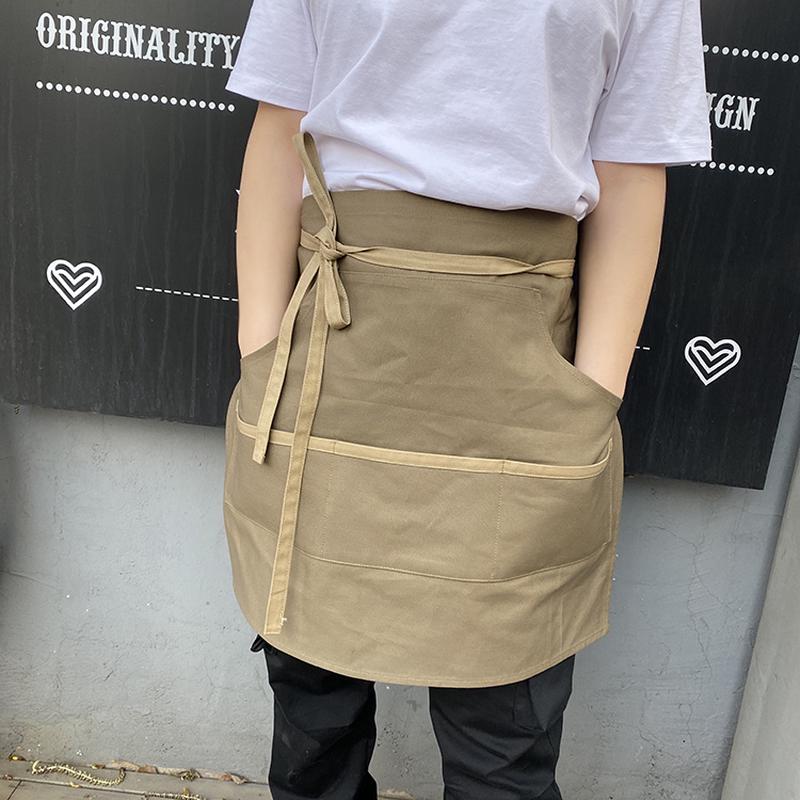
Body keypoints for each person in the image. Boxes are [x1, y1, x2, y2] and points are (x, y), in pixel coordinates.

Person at [222, 1, 712, 797]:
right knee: (314, 710)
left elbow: (630, 169)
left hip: (523, 370)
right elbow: (281, 127)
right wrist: (260, 348)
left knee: (505, 737)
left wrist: (592, 397)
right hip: (332, 350)